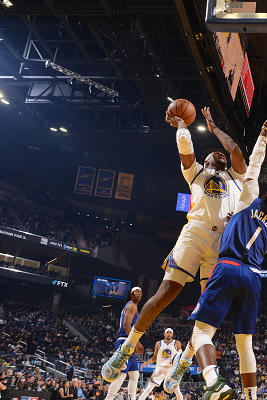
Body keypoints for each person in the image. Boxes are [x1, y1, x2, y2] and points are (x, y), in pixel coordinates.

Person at [102, 107, 245, 382]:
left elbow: (236, 151)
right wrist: (182, 125)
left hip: (221, 243)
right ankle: (126, 348)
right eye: (214, 152)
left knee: (210, 309)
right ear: (205, 160)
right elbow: (186, 149)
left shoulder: (236, 180)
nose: (220, 153)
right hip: (195, 232)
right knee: (164, 294)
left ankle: (185, 361)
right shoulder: (196, 173)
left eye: (221, 154)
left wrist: (214, 128)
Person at [162, 111, 267, 400]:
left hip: (227, 266)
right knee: (245, 344)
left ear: (266, 194)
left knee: (201, 332)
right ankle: (251, 396)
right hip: (254, 278)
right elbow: (260, 246)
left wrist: (265, 131)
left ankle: (211, 380)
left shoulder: (248, 195)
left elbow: (254, 162)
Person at [105, 288, 143, 400]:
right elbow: (126, 326)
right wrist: (137, 343)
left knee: (135, 375)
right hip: (125, 342)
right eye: (137, 291)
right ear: (131, 295)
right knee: (121, 374)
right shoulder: (131, 306)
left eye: (141, 292)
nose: (140, 293)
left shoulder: (133, 306)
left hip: (129, 342)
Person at [138, 328, 183, 400]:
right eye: (167, 332)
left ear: (172, 334)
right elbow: (154, 358)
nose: (169, 334)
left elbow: (181, 356)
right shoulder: (158, 343)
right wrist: (145, 363)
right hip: (160, 368)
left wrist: (176, 361)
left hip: (171, 369)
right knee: (149, 388)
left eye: (170, 332)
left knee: (177, 390)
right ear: (164, 334)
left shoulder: (177, 343)